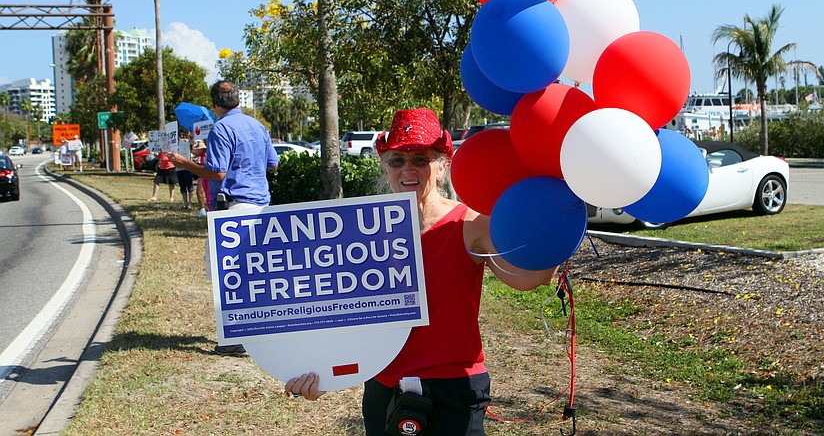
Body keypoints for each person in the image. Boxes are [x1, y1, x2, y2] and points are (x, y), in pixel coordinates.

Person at [285, 108, 559, 435]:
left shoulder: (471, 224)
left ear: (442, 166)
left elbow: (529, 278)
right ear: (385, 167)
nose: (408, 169)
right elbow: (342, 315)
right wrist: (322, 375)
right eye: (397, 160)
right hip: (385, 388)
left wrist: (552, 238)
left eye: (421, 159)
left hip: (455, 390)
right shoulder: (360, 232)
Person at [165, 80, 279, 356]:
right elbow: (273, 163)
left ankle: (233, 339)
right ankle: (259, 333)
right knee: (255, 274)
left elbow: (217, 174)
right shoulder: (256, 126)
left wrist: (184, 164)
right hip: (261, 206)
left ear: (215, 104)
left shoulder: (221, 128)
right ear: (238, 100)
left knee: (226, 274)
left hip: (234, 207)